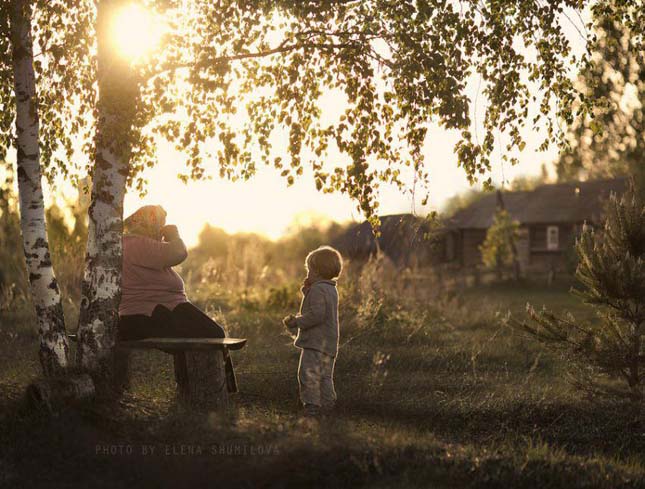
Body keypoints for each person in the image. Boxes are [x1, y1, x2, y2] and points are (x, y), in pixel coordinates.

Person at [117, 205, 237, 392]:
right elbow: (178, 253)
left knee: (201, 337)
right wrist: (174, 235)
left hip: (154, 311)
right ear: (149, 222)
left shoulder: (132, 244)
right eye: (159, 223)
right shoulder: (136, 243)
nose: (160, 228)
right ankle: (214, 391)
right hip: (152, 312)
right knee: (212, 335)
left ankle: (192, 389)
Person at [283, 245, 343, 417]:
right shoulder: (331, 289)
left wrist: (297, 321)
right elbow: (320, 308)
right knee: (325, 377)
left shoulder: (318, 289)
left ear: (316, 272)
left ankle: (312, 407)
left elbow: (316, 315)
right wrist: (307, 292)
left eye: (309, 270)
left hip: (316, 343)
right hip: (329, 343)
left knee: (308, 374)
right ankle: (328, 405)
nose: (307, 274)